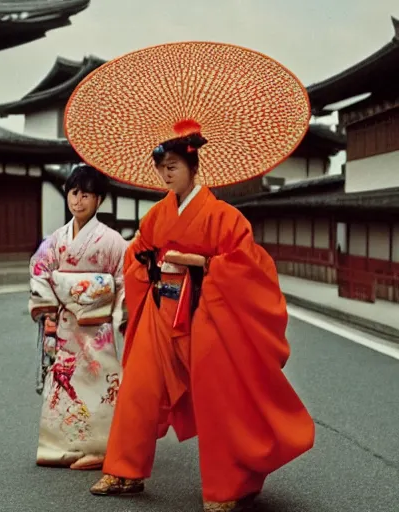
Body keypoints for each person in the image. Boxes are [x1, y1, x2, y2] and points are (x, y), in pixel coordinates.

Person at [62, 42, 316, 511]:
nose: (166, 175)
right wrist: (149, 263)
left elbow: (250, 266)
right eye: (161, 168)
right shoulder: (159, 214)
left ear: (194, 167)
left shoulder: (223, 217)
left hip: (207, 312)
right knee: (139, 385)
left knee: (220, 398)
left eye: (173, 167)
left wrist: (204, 265)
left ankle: (228, 486)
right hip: (162, 309)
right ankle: (125, 471)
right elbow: (138, 254)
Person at [28, 163, 128, 471]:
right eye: (73, 193)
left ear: (99, 200)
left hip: (99, 329)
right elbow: (40, 272)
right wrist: (48, 312)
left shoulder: (113, 241)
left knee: (99, 384)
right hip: (66, 326)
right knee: (63, 384)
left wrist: (117, 313)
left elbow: (124, 280)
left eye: (86, 194)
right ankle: (62, 447)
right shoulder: (55, 240)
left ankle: (101, 447)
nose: (78, 200)